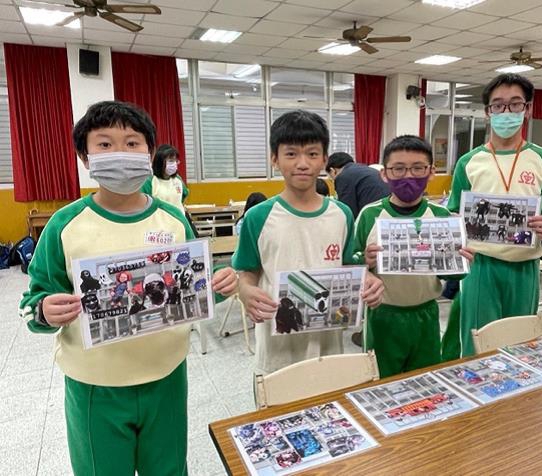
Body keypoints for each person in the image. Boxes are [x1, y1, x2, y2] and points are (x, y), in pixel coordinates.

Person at [18, 101, 238, 475]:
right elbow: (32, 302)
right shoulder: (65, 225)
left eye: (132, 143)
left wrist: (219, 282)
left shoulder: (173, 220)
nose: (120, 152)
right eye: (105, 144)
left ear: (149, 154)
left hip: (166, 375)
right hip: (96, 385)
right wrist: (43, 310)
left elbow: (194, 284)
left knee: (169, 469)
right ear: (85, 157)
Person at [232, 110, 384, 376]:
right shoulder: (258, 217)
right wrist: (244, 291)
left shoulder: (342, 214)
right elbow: (247, 271)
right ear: (274, 159)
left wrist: (367, 279)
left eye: (312, 154)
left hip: (329, 346)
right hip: (277, 349)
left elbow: (347, 265)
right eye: (291, 154)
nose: (302, 163)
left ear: (324, 159)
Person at [447, 74, 542, 357]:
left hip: (525, 266)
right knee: (478, 343)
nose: (506, 112)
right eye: (498, 105)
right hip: (480, 266)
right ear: (488, 112)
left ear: (528, 109)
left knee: (522, 342)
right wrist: (453, 237)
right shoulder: (468, 162)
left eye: (515, 104)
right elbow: (453, 212)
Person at [353, 135, 473, 377]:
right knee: (379, 381)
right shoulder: (369, 215)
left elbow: (455, 275)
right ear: (384, 174)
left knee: (426, 380)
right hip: (382, 316)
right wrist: (364, 260)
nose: (408, 176)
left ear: (431, 172)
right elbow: (351, 263)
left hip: (426, 314)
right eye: (398, 169)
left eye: (418, 168)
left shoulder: (441, 216)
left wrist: (462, 261)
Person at [326, 152, 390, 218]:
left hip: (375, 215)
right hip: (388, 211)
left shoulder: (343, 176)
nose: (332, 180)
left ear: (332, 170)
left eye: (330, 176)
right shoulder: (365, 169)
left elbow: (347, 212)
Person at [141, 143, 189, 213]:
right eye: (171, 161)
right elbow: (142, 204)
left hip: (178, 218)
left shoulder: (178, 179)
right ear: (160, 162)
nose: (174, 164)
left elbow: (184, 195)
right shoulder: (149, 181)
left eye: (176, 161)